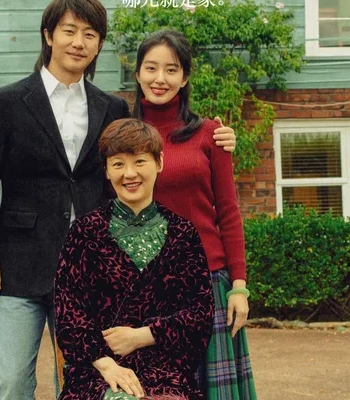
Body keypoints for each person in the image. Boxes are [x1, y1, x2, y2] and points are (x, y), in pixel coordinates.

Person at [0, 1, 236, 399]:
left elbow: (146, 147)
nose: (79, 42)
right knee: (13, 381)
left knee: (80, 379)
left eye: (89, 35)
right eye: (69, 31)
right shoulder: (6, 102)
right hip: (22, 263)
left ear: (99, 45)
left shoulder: (111, 107)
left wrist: (216, 133)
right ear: (49, 35)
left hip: (92, 273)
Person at [133, 30, 257, 400]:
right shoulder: (123, 136)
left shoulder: (210, 134)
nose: (160, 78)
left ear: (185, 77)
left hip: (207, 282)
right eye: (151, 68)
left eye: (171, 70)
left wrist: (239, 287)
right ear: (137, 73)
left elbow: (229, 213)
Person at [55, 118, 214, 400]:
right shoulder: (84, 232)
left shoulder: (183, 234)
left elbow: (200, 315)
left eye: (140, 161)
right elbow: (69, 314)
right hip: (97, 370)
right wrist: (106, 365)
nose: (129, 174)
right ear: (106, 170)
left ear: (159, 162)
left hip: (166, 371)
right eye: (118, 164)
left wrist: (142, 336)